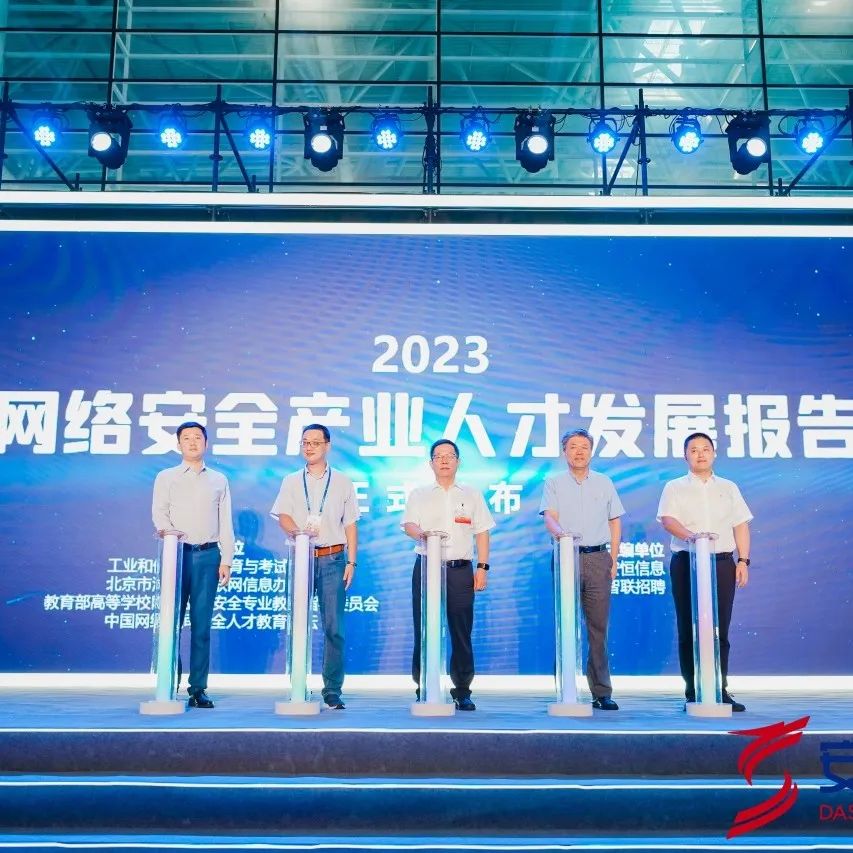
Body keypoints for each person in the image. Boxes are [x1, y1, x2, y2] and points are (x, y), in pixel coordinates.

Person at [657, 431, 752, 712]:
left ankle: (719, 689)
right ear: (685, 456)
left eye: (705, 449)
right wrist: (693, 538)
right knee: (688, 627)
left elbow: (741, 525)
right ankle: (693, 690)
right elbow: (667, 520)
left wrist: (743, 560)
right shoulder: (674, 487)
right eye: (694, 450)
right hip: (687, 561)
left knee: (719, 628)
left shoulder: (729, 487)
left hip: (721, 562)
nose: (700, 454)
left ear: (714, 453)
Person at [270, 423, 358, 710]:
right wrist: (298, 533)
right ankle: (298, 685)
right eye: (305, 442)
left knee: (334, 627)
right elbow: (283, 515)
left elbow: (350, 524)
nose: (309, 447)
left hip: (333, 558)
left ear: (327, 446)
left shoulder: (343, 481)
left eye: (315, 442)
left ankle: (332, 690)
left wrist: (351, 560)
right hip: (302, 557)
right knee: (299, 624)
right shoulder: (291, 481)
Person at [403, 438, 495, 711]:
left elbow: (482, 531)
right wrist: (423, 535)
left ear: (458, 461)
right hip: (427, 566)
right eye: (438, 456)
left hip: (460, 569)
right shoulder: (419, 494)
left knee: (461, 630)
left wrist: (482, 567)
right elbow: (408, 524)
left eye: (449, 456)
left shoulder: (471, 494)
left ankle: (462, 690)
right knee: (424, 628)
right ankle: (424, 686)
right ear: (431, 463)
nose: (444, 460)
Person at [539, 428, 625, 711]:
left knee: (598, 627)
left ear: (591, 451)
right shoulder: (553, 482)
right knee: (566, 624)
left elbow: (614, 521)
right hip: (566, 556)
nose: (579, 452)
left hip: (598, 557)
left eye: (584, 447)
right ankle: (565, 689)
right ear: (564, 451)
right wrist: (562, 535)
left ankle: (601, 692)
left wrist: (613, 557)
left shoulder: (604, 482)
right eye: (573, 446)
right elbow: (549, 517)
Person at [152, 421, 234, 709]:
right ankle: (168, 683)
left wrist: (226, 559)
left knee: (201, 626)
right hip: (177, 555)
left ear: (206, 443)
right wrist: (169, 534)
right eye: (186, 438)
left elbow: (225, 523)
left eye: (197, 437)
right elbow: (159, 514)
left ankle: (198, 688)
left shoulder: (219, 480)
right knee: (171, 623)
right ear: (178, 444)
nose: (192, 442)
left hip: (208, 556)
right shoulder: (166, 477)